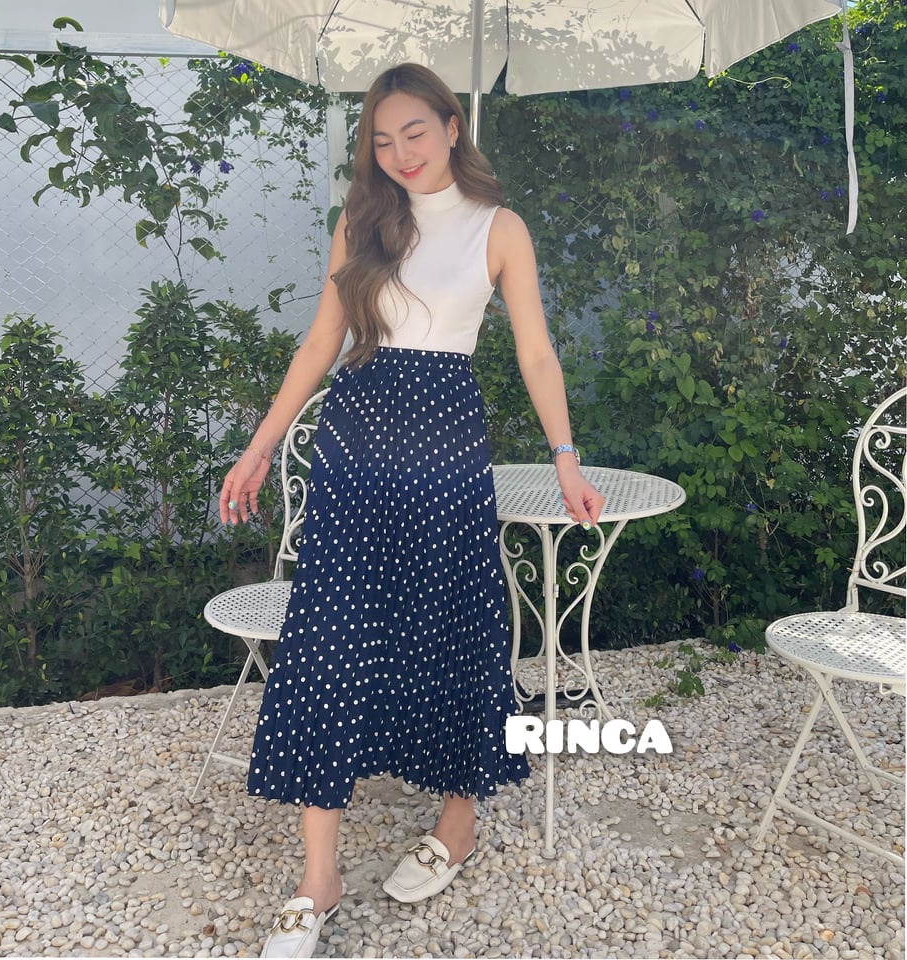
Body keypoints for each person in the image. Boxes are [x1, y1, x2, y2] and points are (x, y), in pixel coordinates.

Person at [218, 62, 605, 959]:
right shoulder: (361, 220)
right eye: (383, 140)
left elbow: (537, 354)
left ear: (453, 125)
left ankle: (457, 822)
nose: (400, 154)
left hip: (444, 444)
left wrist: (565, 458)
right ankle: (318, 878)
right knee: (329, 634)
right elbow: (323, 340)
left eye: (415, 134)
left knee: (455, 624)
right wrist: (262, 444)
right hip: (354, 443)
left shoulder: (500, 227)